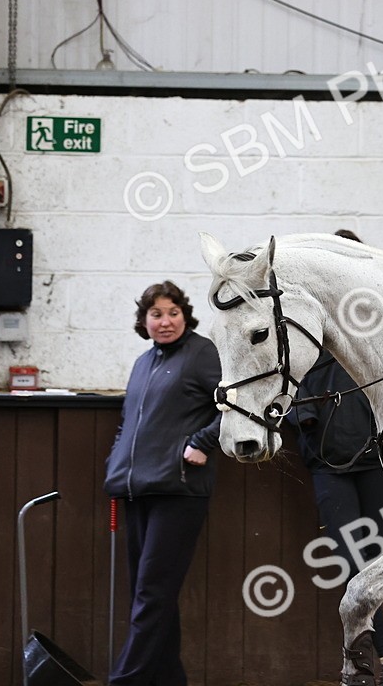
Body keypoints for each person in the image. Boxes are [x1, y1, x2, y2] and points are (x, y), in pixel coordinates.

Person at [290, 230, 383, 686]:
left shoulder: (379, 330)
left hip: (377, 467)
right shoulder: (306, 333)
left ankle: (377, 665)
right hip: (330, 469)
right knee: (352, 564)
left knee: (375, 565)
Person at [104, 281, 222, 686]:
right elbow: (129, 424)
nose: (165, 321)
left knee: (151, 595)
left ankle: (123, 680)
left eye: (173, 313)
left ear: (185, 316)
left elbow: (237, 406)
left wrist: (203, 442)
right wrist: (116, 463)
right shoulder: (142, 363)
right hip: (136, 490)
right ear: (144, 321)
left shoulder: (203, 353)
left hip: (179, 490)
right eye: (156, 314)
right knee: (151, 594)